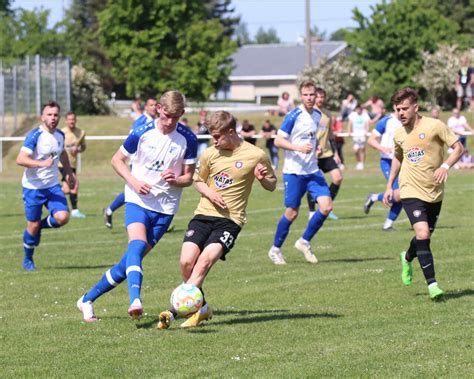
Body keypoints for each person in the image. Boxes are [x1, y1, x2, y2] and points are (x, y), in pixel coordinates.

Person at [77, 91, 197, 322]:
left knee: (129, 260)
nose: (169, 121)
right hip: (137, 199)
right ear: (159, 108)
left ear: (181, 114)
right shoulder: (142, 131)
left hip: (165, 208)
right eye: (166, 115)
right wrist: (133, 181)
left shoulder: (188, 139)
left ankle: (87, 299)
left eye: (175, 117)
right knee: (137, 245)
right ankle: (135, 300)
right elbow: (116, 160)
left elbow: (189, 177)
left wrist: (177, 179)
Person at [157, 110, 276, 329]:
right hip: (203, 214)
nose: (214, 141)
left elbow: (272, 184)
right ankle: (202, 309)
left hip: (230, 220)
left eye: (217, 136)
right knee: (186, 262)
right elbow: (198, 181)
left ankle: (173, 312)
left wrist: (262, 180)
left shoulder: (256, 154)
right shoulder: (210, 154)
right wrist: (210, 194)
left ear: (231, 132)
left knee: (203, 262)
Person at [383, 88, 463, 301]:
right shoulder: (399, 134)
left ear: (415, 108)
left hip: (434, 191)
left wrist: (445, 166)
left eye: (405, 108)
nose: (401, 113)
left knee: (424, 236)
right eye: (397, 109)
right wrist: (390, 185)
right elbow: (398, 158)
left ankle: (407, 257)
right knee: (423, 234)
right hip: (410, 189)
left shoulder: (435, 126)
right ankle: (433, 285)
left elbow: (458, 148)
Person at [267, 79, 333, 265]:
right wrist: (297, 148)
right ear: (301, 96)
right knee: (292, 213)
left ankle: (304, 241)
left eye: (312, 94)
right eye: (306, 95)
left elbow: (312, 138)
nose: (310, 98)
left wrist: (317, 148)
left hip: (312, 170)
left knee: (326, 207)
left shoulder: (318, 115)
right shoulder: (293, 115)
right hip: (294, 172)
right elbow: (278, 141)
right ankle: (275, 249)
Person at [16, 100, 76, 271]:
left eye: (56, 115)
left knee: (63, 217)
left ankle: (40, 226)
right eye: (49, 115)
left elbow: (62, 152)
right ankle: (28, 259)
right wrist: (40, 164)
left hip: (52, 186)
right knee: (32, 226)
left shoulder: (60, 135)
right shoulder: (35, 135)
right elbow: (20, 159)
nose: (53, 118)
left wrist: (69, 173)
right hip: (33, 188)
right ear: (42, 117)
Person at [103, 98, 158, 228]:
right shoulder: (141, 121)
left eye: (156, 105)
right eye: (151, 105)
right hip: (139, 161)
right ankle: (110, 210)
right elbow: (133, 140)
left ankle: (151, 220)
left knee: (147, 188)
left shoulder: (156, 121)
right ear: (146, 107)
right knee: (137, 188)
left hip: (152, 162)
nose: (154, 107)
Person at [306, 87, 342, 221]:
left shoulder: (327, 114)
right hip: (312, 154)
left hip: (326, 153)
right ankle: (311, 212)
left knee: (337, 178)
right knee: (313, 182)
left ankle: (326, 206)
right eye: (318, 97)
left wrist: (336, 153)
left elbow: (331, 135)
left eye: (322, 97)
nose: (320, 99)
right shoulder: (309, 114)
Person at [364, 113, 403, 230]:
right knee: (400, 194)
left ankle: (388, 225)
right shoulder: (386, 121)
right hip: (388, 162)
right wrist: (383, 148)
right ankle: (374, 197)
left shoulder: (409, 120)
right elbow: (371, 140)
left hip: (404, 163)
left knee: (403, 195)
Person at [59, 111, 87, 218]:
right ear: (66, 121)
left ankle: (46, 194)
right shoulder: (61, 132)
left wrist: (78, 149)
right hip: (62, 164)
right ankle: (74, 210)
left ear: (76, 120)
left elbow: (83, 147)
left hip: (73, 165)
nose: (71, 121)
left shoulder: (81, 133)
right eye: (69, 119)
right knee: (74, 184)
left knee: (66, 189)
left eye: (73, 119)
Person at [347, 104, 370, 170]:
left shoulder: (365, 115)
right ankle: (358, 162)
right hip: (355, 134)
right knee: (356, 149)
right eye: (357, 109)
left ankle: (362, 163)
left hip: (362, 134)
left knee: (362, 149)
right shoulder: (352, 115)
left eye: (359, 109)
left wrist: (366, 131)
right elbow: (350, 123)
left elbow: (367, 123)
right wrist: (349, 131)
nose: (358, 110)